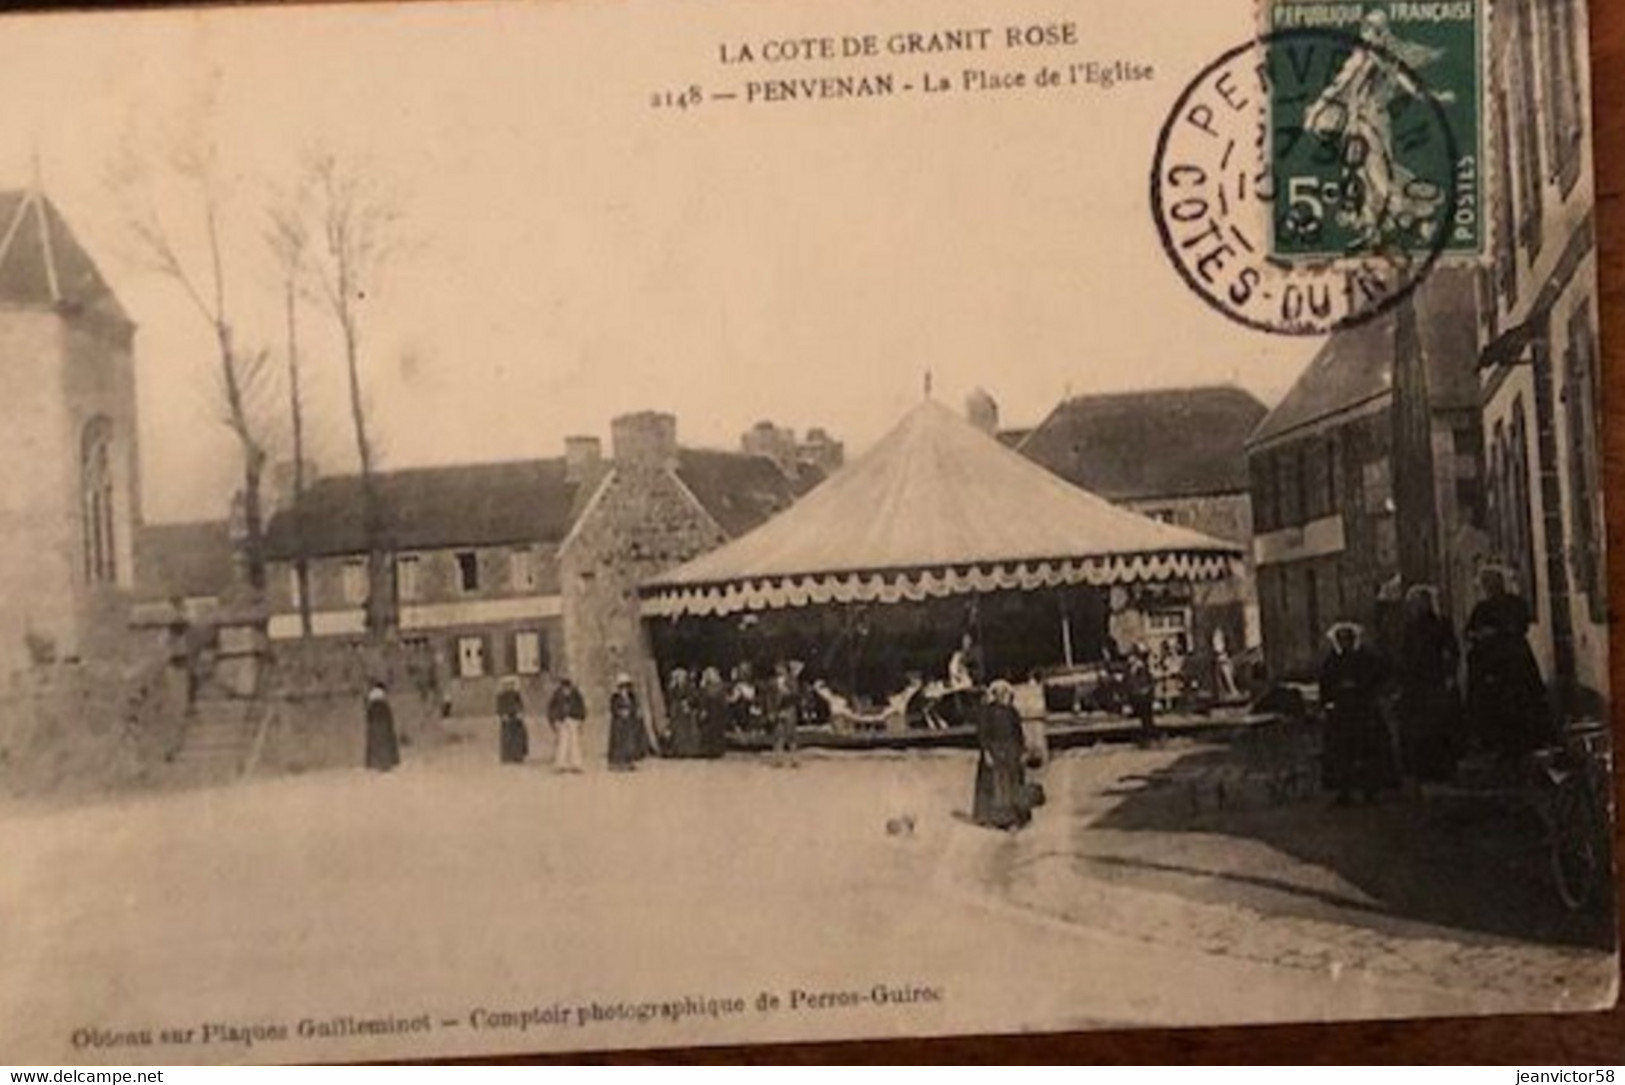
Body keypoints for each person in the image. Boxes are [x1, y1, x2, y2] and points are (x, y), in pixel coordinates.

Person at [1464, 566, 1552, 760]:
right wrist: (1480, 635)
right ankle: (1505, 747)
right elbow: (1469, 632)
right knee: (1500, 707)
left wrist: (1496, 633)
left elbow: (1521, 625)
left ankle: (1520, 746)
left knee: (1518, 703)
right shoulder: (1483, 608)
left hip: (1511, 662)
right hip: (1496, 663)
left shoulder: (1513, 603)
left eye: (1490, 583)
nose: (1489, 588)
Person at [1318, 622, 1398, 804]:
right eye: (1341, 639)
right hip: (1341, 712)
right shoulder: (1332, 660)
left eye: (1348, 638)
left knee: (1368, 751)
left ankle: (1370, 790)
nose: (1345, 642)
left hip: (1364, 710)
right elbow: (1325, 683)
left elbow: (1380, 675)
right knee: (1342, 753)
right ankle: (1344, 790)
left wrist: (1365, 688)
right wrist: (1328, 702)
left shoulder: (1366, 657)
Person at [1395, 585, 1462, 782]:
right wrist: (1403, 679)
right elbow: (1405, 654)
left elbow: (1451, 651)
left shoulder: (1441, 624)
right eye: (1415, 603)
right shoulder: (1410, 627)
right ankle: (1422, 769)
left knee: (1439, 725)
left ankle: (1443, 767)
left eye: (1421, 602)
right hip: (1416, 683)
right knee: (1419, 728)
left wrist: (1449, 674)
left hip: (1435, 679)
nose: (1418, 606)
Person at [972, 681, 1031, 831]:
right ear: (995, 695)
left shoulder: (1012, 712)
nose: (1004, 696)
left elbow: (1019, 733)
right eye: (1000, 693)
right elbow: (983, 734)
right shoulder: (987, 712)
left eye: (1006, 693)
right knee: (995, 786)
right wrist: (986, 752)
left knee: (1013, 784)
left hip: (1012, 751)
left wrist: (1023, 751)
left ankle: (1015, 819)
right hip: (995, 750)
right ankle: (993, 819)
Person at [607, 672, 649, 772]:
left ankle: (629, 761)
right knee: (618, 742)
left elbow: (635, 706)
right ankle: (617, 763)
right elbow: (613, 708)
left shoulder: (632, 697)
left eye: (626, 686)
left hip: (629, 723)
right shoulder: (615, 697)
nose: (624, 689)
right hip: (619, 723)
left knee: (629, 742)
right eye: (622, 687)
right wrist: (620, 712)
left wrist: (631, 711)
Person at [547, 675, 587, 773]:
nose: (566, 690)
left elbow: (582, 707)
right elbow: (551, 708)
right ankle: (560, 764)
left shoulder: (576, 695)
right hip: (561, 721)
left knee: (574, 743)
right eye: (564, 687)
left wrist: (581, 719)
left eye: (568, 687)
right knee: (562, 743)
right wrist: (554, 721)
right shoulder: (556, 695)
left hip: (573, 720)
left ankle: (576, 764)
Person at [768, 660, 802, 768]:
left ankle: (794, 759)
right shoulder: (772, 682)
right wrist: (770, 711)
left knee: (791, 735)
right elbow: (769, 698)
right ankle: (778, 759)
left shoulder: (792, 680)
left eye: (780, 667)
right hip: (777, 709)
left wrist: (787, 692)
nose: (778, 669)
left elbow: (796, 695)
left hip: (789, 708)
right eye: (777, 667)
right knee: (778, 735)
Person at [364, 681, 401, 773]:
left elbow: (369, 720)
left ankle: (376, 763)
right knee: (385, 740)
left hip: (376, 726)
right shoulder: (383, 705)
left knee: (376, 741)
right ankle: (386, 762)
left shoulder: (372, 705)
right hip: (383, 725)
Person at [664, 668, 702, 758]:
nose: (679, 678)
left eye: (680, 676)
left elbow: (694, 696)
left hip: (685, 711)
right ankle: (678, 750)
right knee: (676, 730)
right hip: (676, 710)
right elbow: (669, 698)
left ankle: (687, 751)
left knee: (686, 730)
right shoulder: (672, 686)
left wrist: (687, 702)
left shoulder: (688, 686)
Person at [1126, 644, 1156, 744]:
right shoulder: (1133, 667)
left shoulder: (1140, 667)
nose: (1129, 659)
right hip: (1139, 694)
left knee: (1146, 716)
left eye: (1131, 656)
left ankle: (1149, 736)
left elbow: (1144, 681)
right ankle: (1147, 734)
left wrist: (1144, 690)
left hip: (1143, 694)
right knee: (1145, 717)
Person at [697, 666, 730, 759]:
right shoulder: (720, 687)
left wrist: (703, 710)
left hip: (712, 711)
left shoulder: (707, 688)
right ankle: (717, 750)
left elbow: (703, 700)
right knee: (717, 731)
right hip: (718, 712)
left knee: (711, 731)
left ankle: (711, 750)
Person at [496, 675, 529, 765]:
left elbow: (520, 705)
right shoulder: (501, 696)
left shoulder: (516, 695)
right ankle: (507, 756)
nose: (509, 687)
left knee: (518, 736)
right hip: (507, 718)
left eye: (511, 685)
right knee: (507, 737)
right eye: (507, 685)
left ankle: (518, 755)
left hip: (516, 717)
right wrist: (503, 715)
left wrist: (520, 713)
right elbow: (499, 707)